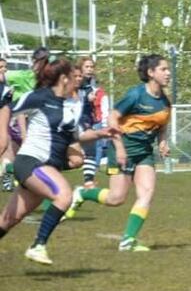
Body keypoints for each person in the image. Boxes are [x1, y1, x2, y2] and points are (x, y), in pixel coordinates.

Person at [0, 56, 115, 265]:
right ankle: (38, 245)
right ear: (63, 78)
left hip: (46, 167)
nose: (77, 79)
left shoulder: (73, 104)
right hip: (31, 161)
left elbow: (78, 135)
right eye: (74, 76)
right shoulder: (38, 97)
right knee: (64, 195)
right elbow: (7, 108)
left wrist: (102, 133)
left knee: (8, 220)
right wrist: (2, 137)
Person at [65, 54, 172, 252]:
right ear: (150, 73)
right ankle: (82, 193)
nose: (168, 73)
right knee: (116, 198)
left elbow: (162, 126)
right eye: (163, 69)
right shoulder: (136, 95)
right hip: (122, 149)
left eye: (168, 69)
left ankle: (128, 240)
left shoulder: (165, 101)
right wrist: (120, 148)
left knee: (147, 193)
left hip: (144, 153)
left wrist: (163, 143)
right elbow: (112, 118)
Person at [2, 48, 47, 192]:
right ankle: (8, 182)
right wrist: (23, 132)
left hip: (37, 120)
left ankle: (10, 177)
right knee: (14, 151)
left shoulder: (49, 79)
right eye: (40, 61)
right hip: (20, 119)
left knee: (18, 154)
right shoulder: (23, 75)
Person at [77, 57, 102, 188]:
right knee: (89, 150)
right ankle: (88, 181)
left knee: (89, 151)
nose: (90, 69)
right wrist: (87, 98)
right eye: (87, 66)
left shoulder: (91, 83)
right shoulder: (78, 81)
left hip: (87, 119)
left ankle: (89, 181)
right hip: (78, 120)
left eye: (91, 67)